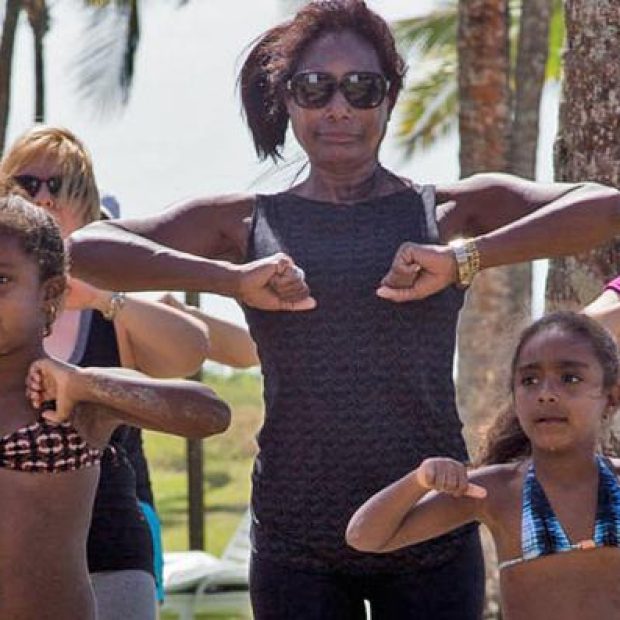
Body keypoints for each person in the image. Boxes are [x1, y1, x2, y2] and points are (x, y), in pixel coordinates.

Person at [66, 1, 620, 617]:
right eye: (315, 88)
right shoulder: (248, 223)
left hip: (430, 531)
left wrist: (465, 258)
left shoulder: (442, 213)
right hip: (295, 543)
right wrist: (228, 279)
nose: (338, 108)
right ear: (288, 99)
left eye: (361, 88)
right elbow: (87, 248)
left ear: (389, 97)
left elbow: (604, 206)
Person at [0, 126, 213, 620]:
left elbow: (202, 390)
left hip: (110, 548)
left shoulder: (112, 311)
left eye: (62, 184)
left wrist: (87, 372)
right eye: (28, 182)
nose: (45, 197)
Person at [346, 311, 620, 620]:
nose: (545, 394)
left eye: (570, 378)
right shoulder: (496, 491)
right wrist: (418, 481)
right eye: (529, 381)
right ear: (514, 396)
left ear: (611, 396)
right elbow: (364, 536)